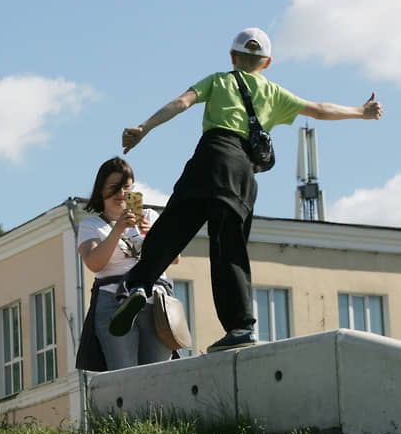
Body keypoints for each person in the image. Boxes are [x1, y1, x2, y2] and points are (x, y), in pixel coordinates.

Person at [111, 27, 383, 353]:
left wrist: (144, 128)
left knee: (173, 225)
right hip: (241, 171)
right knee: (230, 248)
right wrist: (360, 112)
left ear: (232, 57)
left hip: (209, 159)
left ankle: (140, 284)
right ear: (266, 62)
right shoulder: (273, 92)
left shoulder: (219, 80)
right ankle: (240, 326)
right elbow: (319, 108)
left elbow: (181, 103)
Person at [75, 157, 179, 371]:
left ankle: (154, 407)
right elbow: (94, 263)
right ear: (101, 190)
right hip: (115, 300)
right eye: (114, 188)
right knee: (125, 372)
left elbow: (175, 258)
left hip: (155, 302)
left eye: (126, 187)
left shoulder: (149, 215)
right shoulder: (91, 226)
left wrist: (154, 236)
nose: (121, 194)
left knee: (159, 374)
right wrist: (117, 230)